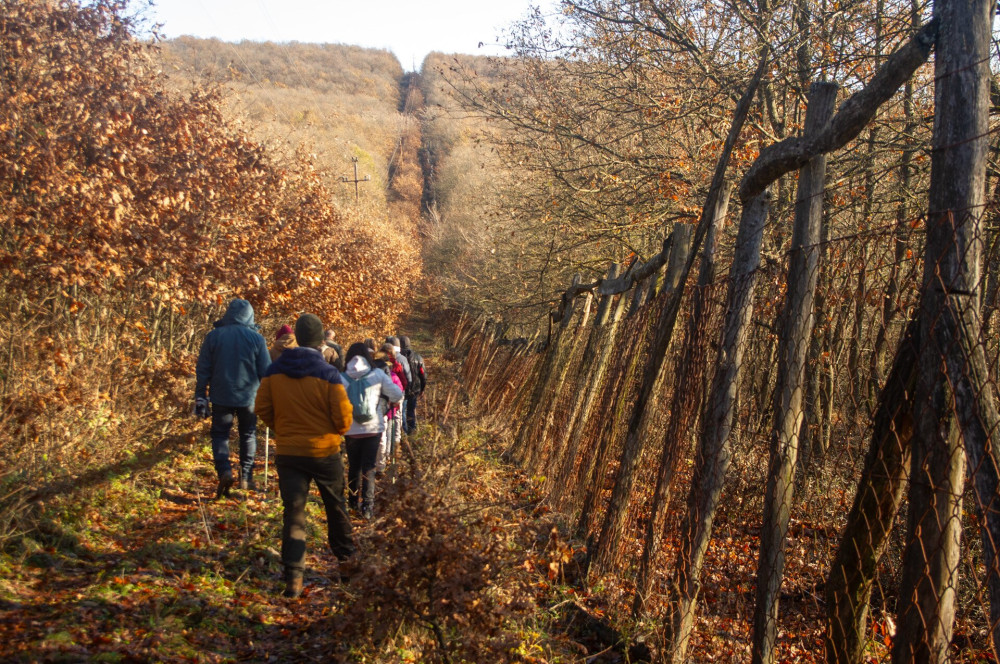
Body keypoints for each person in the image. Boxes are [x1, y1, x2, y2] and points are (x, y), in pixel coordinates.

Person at [254, 314, 356, 598]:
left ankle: (293, 579)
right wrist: (333, 432)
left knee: (294, 513)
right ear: (321, 339)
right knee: (336, 509)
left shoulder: (274, 371)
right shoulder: (328, 373)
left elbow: (261, 408)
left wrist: (283, 430)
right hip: (325, 452)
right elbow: (344, 419)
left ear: (298, 337)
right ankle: (347, 565)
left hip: (289, 453)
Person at [195, 299, 270, 498]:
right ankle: (246, 476)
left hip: (221, 395)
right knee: (248, 434)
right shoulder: (256, 339)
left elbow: (203, 369)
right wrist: (270, 396)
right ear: (250, 316)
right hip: (249, 397)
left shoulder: (214, 337)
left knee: (220, 435)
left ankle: (224, 471)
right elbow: (266, 372)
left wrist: (200, 396)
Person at [341, 342, 403, 519]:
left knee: (354, 466)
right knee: (369, 467)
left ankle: (352, 503)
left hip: (350, 429)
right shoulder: (377, 375)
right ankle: (367, 507)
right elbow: (397, 395)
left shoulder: (343, 377)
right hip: (373, 428)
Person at [398, 336, 426, 434]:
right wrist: (422, 388)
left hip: (402, 388)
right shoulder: (418, 358)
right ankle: (411, 429)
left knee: (402, 410)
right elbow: (423, 375)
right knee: (411, 409)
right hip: (415, 389)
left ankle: (403, 431)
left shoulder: (397, 357)